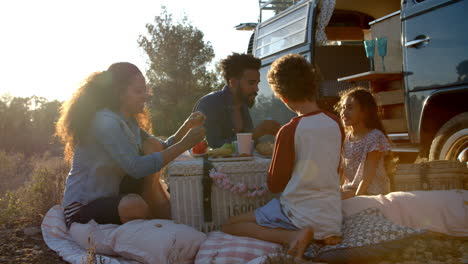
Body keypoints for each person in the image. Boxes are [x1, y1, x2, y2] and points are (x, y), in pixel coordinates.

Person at [221, 54, 343, 259]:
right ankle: (316, 237)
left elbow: (275, 184)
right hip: (331, 218)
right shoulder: (335, 123)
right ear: (313, 86)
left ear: (283, 97)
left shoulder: (289, 130)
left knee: (231, 224)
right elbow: (335, 168)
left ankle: (292, 237)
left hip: (297, 215)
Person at [56, 62, 206, 228]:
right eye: (138, 91)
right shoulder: (105, 122)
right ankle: (155, 221)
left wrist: (187, 126)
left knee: (151, 146)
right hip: (80, 209)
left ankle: (157, 220)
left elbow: (161, 148)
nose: (144, 96)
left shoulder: (128, 121)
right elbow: (135, 167)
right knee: (134, 205)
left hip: (111, 200)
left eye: (145, 90)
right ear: (119, 93)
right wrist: (185, 144)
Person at [192, 52, 281, 148]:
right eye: (251, 83)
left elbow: (248, 146)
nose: (256, 89)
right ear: (233, 82)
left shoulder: (242, 105)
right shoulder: (209, 104)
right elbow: (213, 146)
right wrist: (255, 133)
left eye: (257, 83)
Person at [336, 87, 393, 200]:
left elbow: (367, 178)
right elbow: (342, 172)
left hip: (371, 192)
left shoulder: (374, 137)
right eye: (343, 108)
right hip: (351, 190)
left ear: (364, 112)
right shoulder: (345, 139)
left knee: (331, 200)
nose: (344, 112)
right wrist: (335, 189)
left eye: (350, 108)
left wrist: (357, 200)